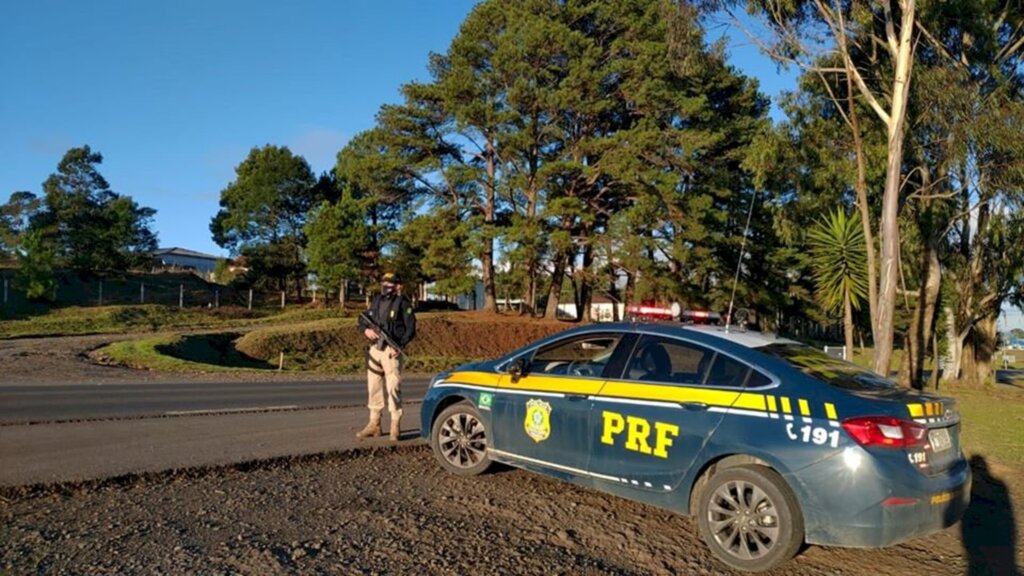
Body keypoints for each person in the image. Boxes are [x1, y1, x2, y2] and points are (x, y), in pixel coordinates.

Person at [355, 272, 416, 441]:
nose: (386, 286)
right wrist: (366, 331)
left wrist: (401, 345)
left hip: (391, 350)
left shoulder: (403, 303)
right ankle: (374, 424)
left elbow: (411, 329)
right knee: (373, 386)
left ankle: (395, 425)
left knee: (393, 387)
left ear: (397, 286)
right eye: (384, 282)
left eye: (390, 283)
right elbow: (362, 321)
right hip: (375, 349)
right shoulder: (376, 301)